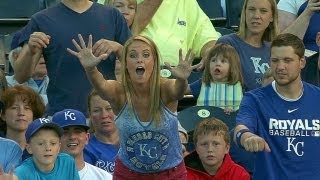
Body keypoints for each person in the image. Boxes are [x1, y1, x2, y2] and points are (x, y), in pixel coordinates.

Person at [68, 34, 200, 178]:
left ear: (154, 62)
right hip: (129, 174)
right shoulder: (118, 92)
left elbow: (178, 92)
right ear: (125, 63)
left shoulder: (165, 88)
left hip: (170, 173)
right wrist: (91, 69)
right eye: (132, 55)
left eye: (146, 55)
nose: (139, 59)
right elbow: (101, 86)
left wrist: (181, 79)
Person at [14, 0, 131, 117]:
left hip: (107, 114)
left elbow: (137, 65)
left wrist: (119, 48)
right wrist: (30, 50)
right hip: (63, 115)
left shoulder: (112, 15)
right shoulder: (41, 20)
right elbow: (20, 76)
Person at [234, 33, 320, 179]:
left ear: (302, 62)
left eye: (287, 60)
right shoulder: (254, 99)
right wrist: (248, 137)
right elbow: (241, 128)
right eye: (275, 60)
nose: (280, 67)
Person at [132, 0, 220, 66]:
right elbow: (129, 31)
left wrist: (210, 53)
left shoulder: (186, 2)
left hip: (178, 79)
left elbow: (207, 37)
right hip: (139, 73)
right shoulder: (125, 4)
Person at [217, 0, 279, 90]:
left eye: (263, 11)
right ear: (244, 13)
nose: (256, 16)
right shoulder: (227, 43)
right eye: (252, 9)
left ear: (272, 17)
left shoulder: (274, 49)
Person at [52, 109, 113, 179]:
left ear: (87, 138)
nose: (72, 137)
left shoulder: (104, 177)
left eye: (77, 131)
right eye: (65, 132)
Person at [14, 118, 80, 179]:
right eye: (40, 143)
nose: (48, 148)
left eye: (53, 143)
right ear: (29, 148)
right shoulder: (22, 172)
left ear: (59, 147)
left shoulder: (68, 162)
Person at [185, 118, 249, 180]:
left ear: (227, 148)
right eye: (204, 144)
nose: (210, 149)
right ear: (196, 148)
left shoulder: (240, 175)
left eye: (216, 144)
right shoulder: (183, 174)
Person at [187, 43, 244, 114]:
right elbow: (182, 90)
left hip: (230, 123)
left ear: (232, 67)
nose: (217, 64)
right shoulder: (202, 84)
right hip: (203, 122)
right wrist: (182, 78)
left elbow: (244, 113)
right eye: (213, 60)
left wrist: (234, 112)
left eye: (223, 61)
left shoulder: (240, 87)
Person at [0, 85, 45, 160]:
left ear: (34, 115)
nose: (21, 113)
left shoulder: (43, 148)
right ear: (3, 115)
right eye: (14, 108)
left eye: (27, 108)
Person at [6, 30, 49, 105]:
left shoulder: (59, 83)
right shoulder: (5, 84)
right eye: (35, 50)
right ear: (16, 57)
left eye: (46, 50)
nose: (43, 55)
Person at [84, 90, 119, 174]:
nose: (104, 115)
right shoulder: (86, 148)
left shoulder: (133, 142)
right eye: (97, 110)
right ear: (90, 114)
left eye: (109, 108)